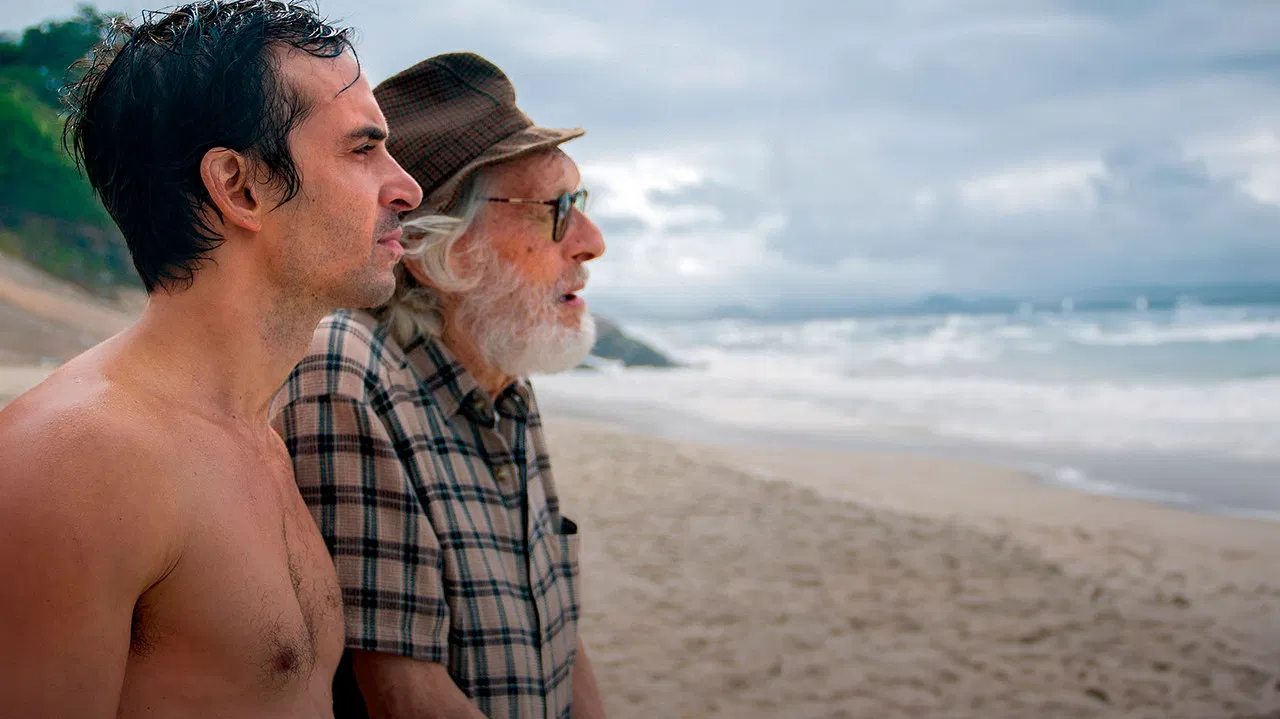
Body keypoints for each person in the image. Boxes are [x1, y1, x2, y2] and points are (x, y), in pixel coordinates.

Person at [0, 1, 422, 715]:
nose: (407, 188)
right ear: (239, 186)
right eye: (362, 150)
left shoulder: (255, 433)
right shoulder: (73, 465)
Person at [271, 52, 608, 718]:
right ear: (440, 247)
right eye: (555, 209)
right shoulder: (345, 377)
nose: (591, 241)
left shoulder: (502, 379)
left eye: (581, 202)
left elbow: (563, 639)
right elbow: (404, 695)